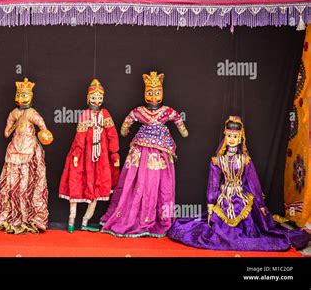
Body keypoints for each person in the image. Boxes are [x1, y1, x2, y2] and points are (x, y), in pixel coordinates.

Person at [168, 116, 309, 251]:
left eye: (235, 136)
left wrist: (260, 204)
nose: (232, 139)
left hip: (241, 194)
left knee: (248, 217)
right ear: (225, 136)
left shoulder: (245, 160)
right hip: (224, 196)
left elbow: (253, 183)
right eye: (229, 135)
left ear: (240, 137)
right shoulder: (217, 160)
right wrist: (211, 204)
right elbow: (213, 183)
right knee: (217, 220)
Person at [100, 71, 188, 237]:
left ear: (162, 92)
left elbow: (178, 119)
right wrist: (124, 129)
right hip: (140, 152)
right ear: (144, 93)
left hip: (160, 153)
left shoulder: (166, 111)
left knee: (159, 184)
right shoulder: (140, 111)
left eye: (156, 92)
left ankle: (155, 219)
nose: (153, 96)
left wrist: (183, 130)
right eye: (149, 92)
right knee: (136, 181)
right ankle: (131, 216)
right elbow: (127, 121)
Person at [0, 78, 53, 234]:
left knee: (27, 184)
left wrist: (44, 134)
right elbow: (6, 133)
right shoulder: (14, 113)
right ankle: (10, 214)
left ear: (30, 96)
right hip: (14, 151)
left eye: (24, 95)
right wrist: (16, 122)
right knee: (11, 183)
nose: (21, 99)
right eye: (18, 95)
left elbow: (44, 129)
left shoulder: (32, 113)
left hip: (29, 152)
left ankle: (28, 216)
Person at [59, 79, 120, 233]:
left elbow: (112, 134)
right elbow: (79, 136)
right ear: (88, 98)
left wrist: (114, 153)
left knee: (96, 189)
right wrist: (77, 154)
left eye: (99, 98)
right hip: (84, 156)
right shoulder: (85, 115)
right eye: (93, 97)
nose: (96, 100)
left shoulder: (105, 114)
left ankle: (85, 221)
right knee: (77, 182)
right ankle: (71, 220)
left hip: (101, 159)